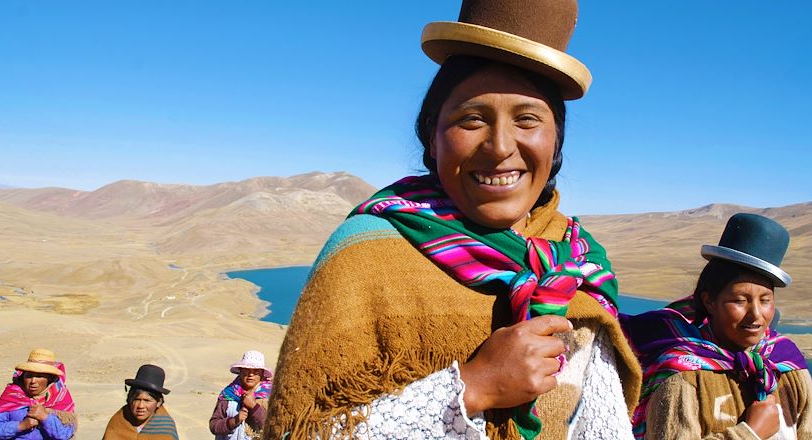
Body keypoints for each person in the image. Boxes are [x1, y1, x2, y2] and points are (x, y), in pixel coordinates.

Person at [263, 1, 643, 438]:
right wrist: (471, 389)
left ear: (556, 142)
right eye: (472, 119)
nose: (500, 147)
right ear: (431, 136)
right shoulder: (366, 255)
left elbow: (602, 424)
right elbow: (299, 430)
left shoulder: (579, 262)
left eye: (527, 119)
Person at [622, 213, 812, 439]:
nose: (756, 315)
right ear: (709, 301)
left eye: (765, 300)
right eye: (740, 300)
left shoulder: (787, 363)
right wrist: (749, 434)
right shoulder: (683, 375)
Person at [0, 348, 76, 440]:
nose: (33, 381)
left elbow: (66, 434)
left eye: (39, 376)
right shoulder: (11, 396)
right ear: (23, 376)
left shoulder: (61, 398)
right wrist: (21, 425)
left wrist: (45, 417)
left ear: (49, 378)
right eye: (29, 376)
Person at [102, 364, 178, 440]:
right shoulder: (118, 421)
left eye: (147, 401)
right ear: (129, 399)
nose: (140, 406)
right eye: (136, 399)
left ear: (159, 402)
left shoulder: (166, 429)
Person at [209, 350, 272, 440]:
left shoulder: (269, 398)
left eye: (256, 371)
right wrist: (234, 421)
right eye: (246, 370)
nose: (250, 374)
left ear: (262, 374)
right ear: (240, 371)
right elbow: (214, 426)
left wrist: (254, 407)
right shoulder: (228, 395)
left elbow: (273, 428)